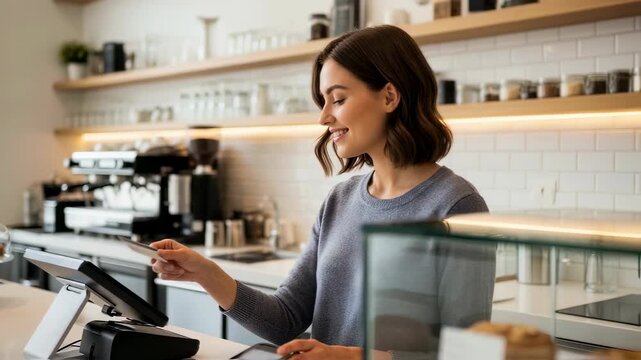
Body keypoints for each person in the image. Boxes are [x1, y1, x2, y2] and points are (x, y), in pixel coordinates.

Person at [151, 25, 494, 360]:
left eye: (338, 99)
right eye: (323, 101)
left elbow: (467, 351)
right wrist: (205, 273)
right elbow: (285, 318)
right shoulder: (340, 200)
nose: (324, 117)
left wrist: (348, 356)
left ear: (389, 96)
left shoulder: (457, 205)